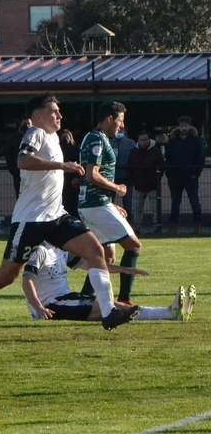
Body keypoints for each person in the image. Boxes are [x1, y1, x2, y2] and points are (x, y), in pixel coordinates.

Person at [0, 94, 141, 336]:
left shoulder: (54, 137)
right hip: (31, 220)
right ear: (38, 116)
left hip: (56, 216)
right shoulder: (34, 132)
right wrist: (63, 166)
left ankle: (109, 311)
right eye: (53, 111)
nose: (59, 115)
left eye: (59, 111)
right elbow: (23, 160)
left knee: (96, 251)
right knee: (7, 276)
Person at [23, 242, 195, 323]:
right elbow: (26, 281)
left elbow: (92, 265)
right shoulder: (40, 251)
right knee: (109, 309)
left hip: (66, 297)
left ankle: (169, 313)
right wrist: (38, 308)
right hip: (51, 304)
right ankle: (169, 313)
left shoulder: (62, 250)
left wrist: (123, 270)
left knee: (110, 307)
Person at [77, 102, 143, 305]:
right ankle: (124, 299)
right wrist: (117, 188)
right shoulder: (97, 138)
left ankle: (85, 298)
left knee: (106, 256)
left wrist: (111, 203)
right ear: (109, 119)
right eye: (120, 121)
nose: (121, 126)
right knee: (134, 246)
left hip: (94, 203)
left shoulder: (95, 137)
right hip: (96, 204)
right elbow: (92, 174)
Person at [165, 116, 205, 235]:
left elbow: (200, 159)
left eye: (185, 126)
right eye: (181, 126)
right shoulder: (172, 141)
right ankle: (173, 227)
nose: (183, 128)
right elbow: (168, 159)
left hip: (191, 177)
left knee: (194, 202)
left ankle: (198, 226)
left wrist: (195, 175)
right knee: (175, 202)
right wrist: (170, 175)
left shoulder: (196, 141)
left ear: (190, 126)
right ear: (178, 127)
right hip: (175, 178)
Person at [127, 130, 164, 234]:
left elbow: (161, 167)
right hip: (138, 186)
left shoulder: (156, 151)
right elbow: (130, 168)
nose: (143, 141)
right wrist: (134, 181)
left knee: (155, 209)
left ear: (149, 140)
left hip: (153, 186)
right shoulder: (134, 152)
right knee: (137, 209)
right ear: (138, 140)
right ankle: (137, 229)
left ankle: (157, 227)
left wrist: (156, 179)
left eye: (145, 139)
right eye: (141, 140)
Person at [109, 127, 137, 216]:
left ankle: (128, 221)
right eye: (118, 129)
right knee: (109, 202)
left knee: (128, 202)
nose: (119, 131)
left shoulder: (131, 143)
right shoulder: (109, 143)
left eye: (121, 130)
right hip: (112, 178)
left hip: (127, 177)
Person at [5, 116, 31, 198]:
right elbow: (8, 153)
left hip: (32, 173)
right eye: (24, 123)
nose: (26, 126)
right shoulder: (14, 137)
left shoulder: (35, 136)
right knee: (20, 196)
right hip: (18, 173)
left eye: (28, 124)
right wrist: (12, 169)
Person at [59, 129, 80, 217]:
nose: (65, 139)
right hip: (61, 177)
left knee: (73, 199)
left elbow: (79, 163)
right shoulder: (58, 149)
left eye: (67, 137)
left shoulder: (75, 148)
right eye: (63, 137)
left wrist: (77, 177)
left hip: (72, 178)